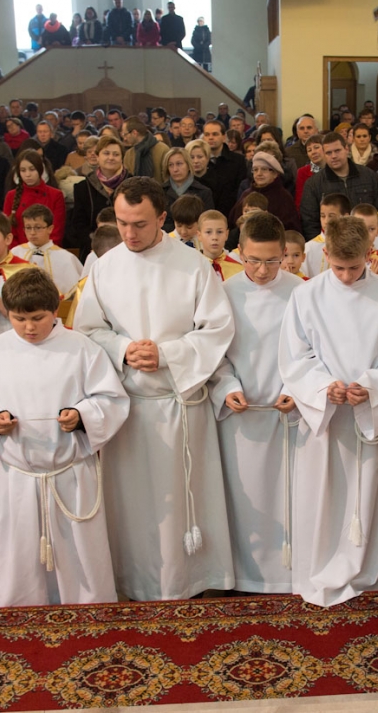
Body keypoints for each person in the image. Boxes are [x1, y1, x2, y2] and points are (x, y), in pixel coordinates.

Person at [74, 177, 236, 601]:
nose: (129, 233)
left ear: (163, 218)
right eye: (123, 222)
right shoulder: (105, 267)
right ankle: (133, 580)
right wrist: (124, 349)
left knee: (183, 503)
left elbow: (217, 330)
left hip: (180, 405)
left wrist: (167, 355)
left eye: (140, 224)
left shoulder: (193, 266)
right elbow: (87, 329)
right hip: (129, 408)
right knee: (134, 507)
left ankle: (190, 579)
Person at [0, 268, 128, 606]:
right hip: (18, 477)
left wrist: (81, 416)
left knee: (80, 557)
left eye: (38, 318)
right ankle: (21, 615)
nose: (29, 328)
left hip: (69, 472)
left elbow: (110, 399)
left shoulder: (81, 348)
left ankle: (88, 613)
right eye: (19, 319)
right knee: (19, 555)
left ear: (56, 310)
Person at [279, 214, 378, 607]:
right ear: (324, 254)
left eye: (353, 267)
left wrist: (371, 386)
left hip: (368, 416)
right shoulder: (305, 296)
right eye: (336, 266)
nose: (343, 275)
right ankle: (319, 568)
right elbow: (294, 357)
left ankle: (369, 573)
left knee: (368, 494)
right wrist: (324, 387)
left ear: (368, 254)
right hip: (325, 419)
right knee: (322, 499)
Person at [208, 213, 303, 593]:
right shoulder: (224, 293)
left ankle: (291, 573)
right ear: (239, 252)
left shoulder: (301, 291)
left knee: (289, 497)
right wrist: (227, 384)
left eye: (271, 261)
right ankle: (242, 576)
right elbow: (215, 354)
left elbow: (311, 352)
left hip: (287, 416)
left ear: (285, 254)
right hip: (240, 416)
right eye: (252, 260)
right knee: (244, 501)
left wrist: (296, 388)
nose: (261, 271)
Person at [300, 132, 378, 240]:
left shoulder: (369, 176)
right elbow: (310, 223)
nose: (333, 156)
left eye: (337, 151)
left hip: (366, 241)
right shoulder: (313, 184)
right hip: (331, 244)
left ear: (346, 149)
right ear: (324, 154)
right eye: (328, 153)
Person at [69, 136, 126, 260]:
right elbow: (78, 224)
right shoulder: (83, 187)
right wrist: (95, 243)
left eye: (116, 154)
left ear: (122, 158)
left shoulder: (132, 184)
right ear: (98, 156)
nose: (111, 157)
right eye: (106, 153)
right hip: (93, 251)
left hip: (127, 249)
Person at [11, 203, 82, 298]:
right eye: (28, 228)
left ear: (50, 229)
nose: (32, 232)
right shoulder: (15, 253)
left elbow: (75, 294)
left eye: (38, 227)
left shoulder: (66, 258)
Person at [229, 150, 301, 235]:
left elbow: (292, 230)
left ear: (275, 173)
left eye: (264, 169)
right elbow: (233, 224)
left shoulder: (283, 197)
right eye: (255, 170)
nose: (259, 173)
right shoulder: (246, 194)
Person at [3, 150, 66, 246]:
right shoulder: (11, 196)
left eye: (32, 169)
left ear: (40, 170)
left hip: (48, 252)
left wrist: (42, 252)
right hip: (19, 253)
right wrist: (20, 252)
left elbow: (57, 231)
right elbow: (9, 231)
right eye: (23, 170)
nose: (27, 174)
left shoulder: (55, 195)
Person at [162, 147, 215, 230]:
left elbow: (207, 224)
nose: (175, 169)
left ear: (188, 165)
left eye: (179, 164)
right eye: (171, 165)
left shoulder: (203, 192)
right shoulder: (160, 192)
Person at [304, 192, 350, 278]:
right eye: (323, 216)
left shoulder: (354, 245)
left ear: (346, 217)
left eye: (331, 216)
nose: (326, 221)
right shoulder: (309, 248)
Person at [197, 210, 243, 280]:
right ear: (199, 235)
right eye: (208, 232)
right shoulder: (192, 269)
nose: (215, 237)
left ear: (227, 234)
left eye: (219, 232)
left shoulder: (239, 269)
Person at [122, 118, 169, 184]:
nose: (124, 138)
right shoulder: (129, 154)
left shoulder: (162, 149)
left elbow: (167, 179)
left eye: (125, 134)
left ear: (134, 133)